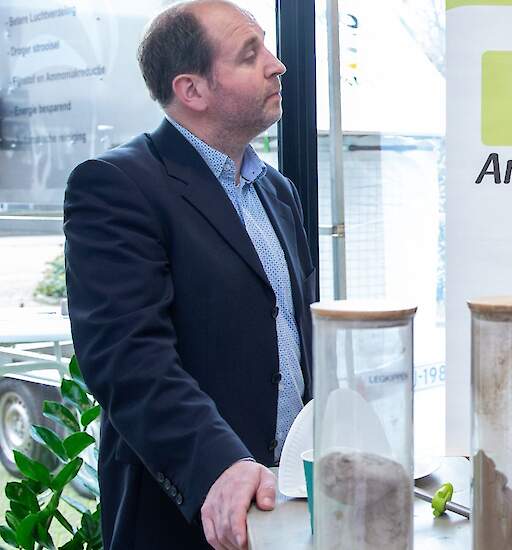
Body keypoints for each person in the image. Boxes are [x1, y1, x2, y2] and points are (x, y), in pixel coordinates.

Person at [63, 1, 315, 548]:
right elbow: (127, 357)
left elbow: (294, 341)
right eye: (251, 56)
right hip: (187, 516)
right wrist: (219, 465)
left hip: (284, 505)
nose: (278, 65)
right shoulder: (115, 185)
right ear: (192, 90)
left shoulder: (278, 192)